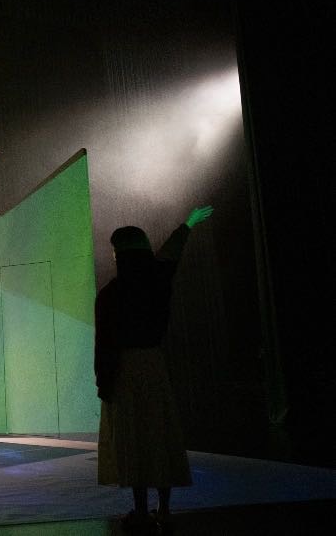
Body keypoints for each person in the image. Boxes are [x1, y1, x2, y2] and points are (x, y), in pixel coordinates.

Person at [95, 205, 214, 534]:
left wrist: (103, 381)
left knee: (134, 438)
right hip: (154, 364)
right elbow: (171, 253)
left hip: (124, 369)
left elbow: (104, 342)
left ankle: (140, 509)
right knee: (160, 434)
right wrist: (187, 225)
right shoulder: (158, 280)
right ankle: (164, 508)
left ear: (119, 254)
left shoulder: (111, 294)